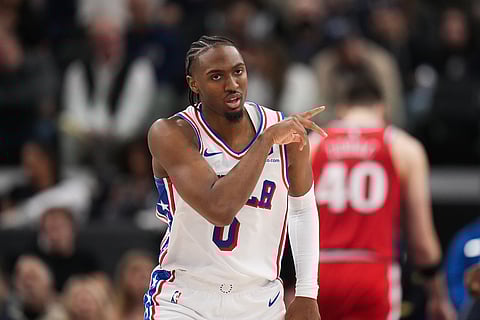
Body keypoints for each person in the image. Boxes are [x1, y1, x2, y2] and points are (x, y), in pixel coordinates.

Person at [144, 35, 325, 320]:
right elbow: (219, 208)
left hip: (260, 301)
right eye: (216, 76)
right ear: (194, 84)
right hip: (185, 299)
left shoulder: (283, 130)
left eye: (238, 71)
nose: (232, 84)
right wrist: (265, 142)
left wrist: (306, 292)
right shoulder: (171, 133)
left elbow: (302, 210)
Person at [310, 72, 457, 320]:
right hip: (374, 271)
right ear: (383, 108)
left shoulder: (313, 144)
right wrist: (438, 295)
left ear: (342, 108)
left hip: (317, 274)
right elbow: (421, 242)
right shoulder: (404, 147)